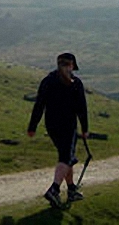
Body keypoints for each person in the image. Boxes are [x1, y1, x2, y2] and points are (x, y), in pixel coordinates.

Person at [27, 53, 89, 209]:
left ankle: (71, 189)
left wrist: (32, 127)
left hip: (52, 126)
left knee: (66, 156)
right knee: (65, 157)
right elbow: (82, 109)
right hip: (68, 125)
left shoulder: (48, 81)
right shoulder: (75, 83)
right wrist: (85, 128)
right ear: (72, 65)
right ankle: (54, 189)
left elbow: (39, 105)